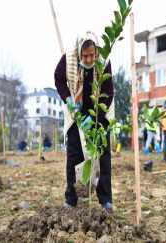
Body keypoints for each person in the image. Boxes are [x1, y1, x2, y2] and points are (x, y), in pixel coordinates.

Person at [54, 31, 114, 212]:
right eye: (85, 56)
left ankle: (105, 199)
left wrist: (97, 120)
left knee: (103, 155)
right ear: (79, 53)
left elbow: (108, 91)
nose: (88, 60)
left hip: (99, 111)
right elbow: (58, 79)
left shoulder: (104, 61)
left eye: (92, 55)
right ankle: (72, 198)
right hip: (76, 111)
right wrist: (68, 100)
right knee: (74, 155)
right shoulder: (68, 59)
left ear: (96, 52)